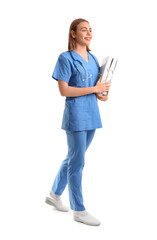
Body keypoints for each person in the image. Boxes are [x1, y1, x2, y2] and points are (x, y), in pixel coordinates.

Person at [45, 18, 111, 226]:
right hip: (76, 116)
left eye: (90, 30)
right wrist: (94, 90)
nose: (88, 33)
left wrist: (102, 95)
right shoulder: (65, 58)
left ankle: (54, 194)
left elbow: (97, 90)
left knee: (74, 157)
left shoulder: (93, 59)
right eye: (84, 29)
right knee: (77, 162)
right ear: (73, 33)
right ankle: (78, 210)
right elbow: (64, 90)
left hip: (92, 114)